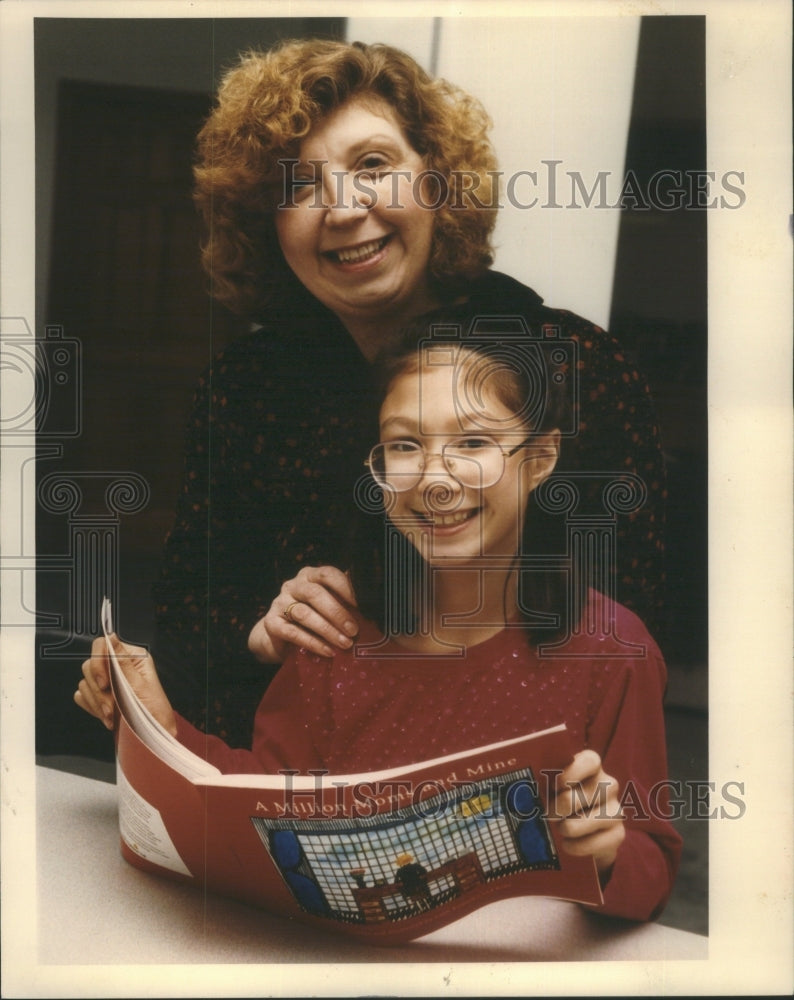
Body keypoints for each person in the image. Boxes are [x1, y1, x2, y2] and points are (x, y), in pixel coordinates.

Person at [146, 38, 666, 746]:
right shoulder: (243, 391)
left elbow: (628, 639)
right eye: (297, 185)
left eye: (372, 165)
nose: (342, 207)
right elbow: (182, 630)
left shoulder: (573, 366)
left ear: (436, 179)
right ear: (264, 224)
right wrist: (259, 634)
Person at [77, 329, 681, 923]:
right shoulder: (336, 626)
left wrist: (602, 853)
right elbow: (266, 798)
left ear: (541, 458)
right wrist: (157, 725)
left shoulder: (610, 650)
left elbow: (649, 863)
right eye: (403, 446)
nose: (435, 481)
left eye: (473, 442)